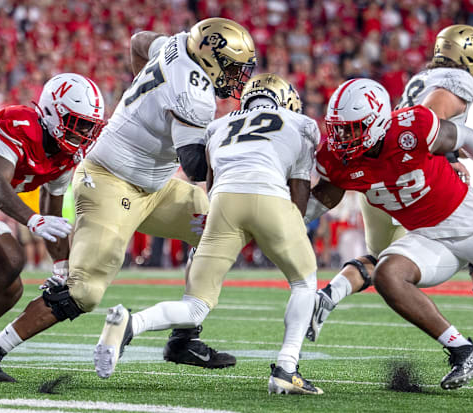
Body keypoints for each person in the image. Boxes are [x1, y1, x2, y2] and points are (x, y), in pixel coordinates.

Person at [0, 17, 257, 381]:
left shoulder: (178, 44)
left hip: (156, 186)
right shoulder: (194, 95)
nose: (235, 77)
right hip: (110, 180)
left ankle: (184, 336)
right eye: (231, 67)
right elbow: (197, 167)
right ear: (210, 57)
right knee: (84, 291)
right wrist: (233, 141)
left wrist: (144, 87)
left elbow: (140, 41)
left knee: (221, 232)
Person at [307, 77, 473, 389]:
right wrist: (291, 219)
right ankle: (463, 350)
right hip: (428, 237)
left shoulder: (410, 126)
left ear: (376, 120)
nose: (340, 138)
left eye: (352, 129)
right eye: (337, 128)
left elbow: (467, 137)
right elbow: (327, 194)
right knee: (388, 274)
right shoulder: (337, 157)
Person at [94, 73, 323, 395]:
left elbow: (211, 187)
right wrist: (283, 227)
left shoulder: (219, 125)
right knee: (304, 283)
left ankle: (132, 323)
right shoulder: (301, 123)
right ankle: (287, 367)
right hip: (270, 198)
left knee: (195, 305)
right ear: (284, 99)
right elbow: (298, 192)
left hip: (224, 204)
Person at [0, 73, 106, 383]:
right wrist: (32, 220)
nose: (85, 131)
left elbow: (54, 214)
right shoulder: (18, 123)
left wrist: (63, 270)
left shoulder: (64, 155)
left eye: (89, 124)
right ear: (52, 111)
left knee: (9, 289)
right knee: (10, 256)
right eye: (78, 121)